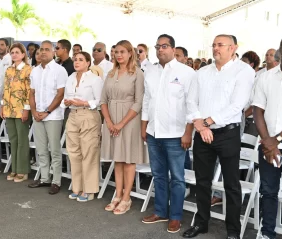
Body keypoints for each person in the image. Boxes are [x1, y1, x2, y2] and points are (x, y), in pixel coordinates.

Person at [183, 34, 255, 239]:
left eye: (220, 45)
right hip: (202, 134)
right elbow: (191, 101)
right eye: (213, 45)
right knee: (202, 181)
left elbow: (236, 106)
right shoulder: (203, 72)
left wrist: (205, 122)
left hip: (227, 134)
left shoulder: (244, 71)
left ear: (233, 48)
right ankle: (201, 223)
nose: (215, 48)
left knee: (231, 184)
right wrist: (200, 124)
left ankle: (233, 230)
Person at [141, 34, 195, 233]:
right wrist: (144, 126)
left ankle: (175, 216)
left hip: (176, 134)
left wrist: (188, 132)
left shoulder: (186, 73)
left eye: (164, 46)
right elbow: (147, 100)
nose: (160, 50)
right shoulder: (150, 71)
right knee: (158, 175)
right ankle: (160, 211)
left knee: (177, 178)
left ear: (173, 49)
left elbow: (191, 105)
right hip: (154, 132)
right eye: (157, 46)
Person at [101, 40, 145, 214]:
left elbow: (139, 101)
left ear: (130, 54)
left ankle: (127, 197)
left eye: (122, 52)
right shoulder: (111, 73)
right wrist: (110, 122)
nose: (119, 55)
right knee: (117, 159)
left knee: (129, 159)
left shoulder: (138, 74)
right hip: (111, 118)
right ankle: (117, 195)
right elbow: (103, 100)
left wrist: (120, 123)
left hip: (130, 120)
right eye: (116, 52)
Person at [252, 34, 282, 239]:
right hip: (268, 147)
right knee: (268, 191)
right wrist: (268, 141)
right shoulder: (265, 76)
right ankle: (267, 233)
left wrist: (277, 140)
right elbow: (257, 110)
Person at [61, 51, 103, 202]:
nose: (76, 62)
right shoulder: (71, 77)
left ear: (88, 63)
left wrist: (84, 103)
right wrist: (67, 102)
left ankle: (89, 190)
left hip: (89, 115)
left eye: (80, 60)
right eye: (75, 59)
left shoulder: (95, 79)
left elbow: (99, 100)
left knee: (89, 152)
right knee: (74, 152)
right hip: (72, 114)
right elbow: (66, 96)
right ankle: (77, 187)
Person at [28, 40, 67, 194]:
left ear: (53, 52)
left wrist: (48, 111)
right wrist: (33, 111)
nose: (43, 52)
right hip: (37, 115)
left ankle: (56, 181)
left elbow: (61, 94)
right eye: (41, 50)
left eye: (46, 49)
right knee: (41, 149)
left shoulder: (59, 70)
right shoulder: (35, 71)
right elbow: (31, 93)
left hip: (53, 116)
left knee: (55, 150)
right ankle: (45, 178)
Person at [0, 43, 32, 183]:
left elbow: (29, 91)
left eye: (17, 52)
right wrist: (2, 106)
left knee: (22, 141)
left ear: (23, 54)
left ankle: (23, 170)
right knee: (13, 140)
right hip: (9, 109)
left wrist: (26, 109)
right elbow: (5, 89)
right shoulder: (8, 70)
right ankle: (15, 168)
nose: (14, 54)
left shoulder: (28, 70)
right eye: (12, 52)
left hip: (21, 110)